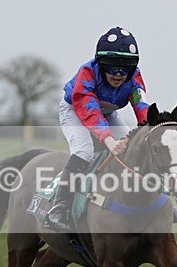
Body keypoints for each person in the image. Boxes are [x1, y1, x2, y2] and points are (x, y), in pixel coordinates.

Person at [46, 26, 150, 231]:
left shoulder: (135, 77)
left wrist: (147, 129)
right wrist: (107, 138)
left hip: (108, 114)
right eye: (112, 67)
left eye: (124, 69)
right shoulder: (87, 73)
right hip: (75, 111)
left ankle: (153, 200)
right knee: (84, 152)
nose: (118, 74)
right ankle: (59, 208)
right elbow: (89, 110)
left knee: (134, 149)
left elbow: (141, 105)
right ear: (101, 65)